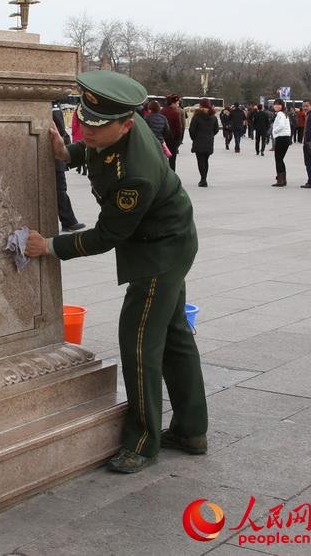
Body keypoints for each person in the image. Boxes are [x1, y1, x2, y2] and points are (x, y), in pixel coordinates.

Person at [23, 70, 207, 474]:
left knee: (140, 344)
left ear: (126, 124)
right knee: (175, 334)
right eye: (83, 122)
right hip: (171, 239)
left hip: (158, 254)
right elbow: (96, 147)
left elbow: (107, 235)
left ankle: (142, 443)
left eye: (97, 126)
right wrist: (68, 152)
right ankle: (192, 431)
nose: (86, 130)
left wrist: (48, 247)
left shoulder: (136, 175)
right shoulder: (119, 121)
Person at [52, 101, 85, 232]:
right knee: (60, 189)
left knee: (59, 190)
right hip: (55, 157)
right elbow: (60, 130)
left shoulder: (53, 109)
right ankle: (68, 221)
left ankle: (69, 220)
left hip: (57, 154)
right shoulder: (55, 110)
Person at [188, 99, 219, 187]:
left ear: (201, 106)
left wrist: (194, 138)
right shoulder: (213, 117)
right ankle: (204, 178)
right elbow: (216, 130)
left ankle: (203, 179)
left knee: (200, 160)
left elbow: (192, 130)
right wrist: (210, 135)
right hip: (209, 141)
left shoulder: (197, 116)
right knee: (205, 160)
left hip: (198, 141)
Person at [270, 99, 292, 187]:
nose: (276, 106)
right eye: (275, 105)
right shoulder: (284, 113)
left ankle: (280, 180)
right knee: (280, 159)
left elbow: (281, 125)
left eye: (279, 105)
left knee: (278, 159)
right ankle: (283, 179)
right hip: (286, 138)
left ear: (282, 106)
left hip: (281, 138)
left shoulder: (280, 114)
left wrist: (274, 131)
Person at [162, 95, 185, 170]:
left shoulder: (162, 111)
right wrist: (178, 140)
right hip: (173, 139)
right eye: (177, 103)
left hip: (162, 140)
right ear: (172, 103)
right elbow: (178, 129)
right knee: (172, 160)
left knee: (163, 159)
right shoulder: (175, 113)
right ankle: (172, 175)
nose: (178, 105)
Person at [70, 108, 87, 175]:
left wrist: (73, 133)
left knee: (78, 150)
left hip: (77, 133)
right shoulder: (86, 110)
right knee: (84, 150)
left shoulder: (76, 112)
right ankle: (80, 168)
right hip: (84, 133)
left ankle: (81, 168)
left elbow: (74, 124)